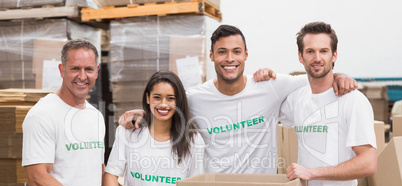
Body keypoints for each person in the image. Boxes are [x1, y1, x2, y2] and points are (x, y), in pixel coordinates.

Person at [119, 24, 357, 175]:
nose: (229, 58)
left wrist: (339, 74)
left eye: (236, 52)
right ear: (212, 56)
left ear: (245, 55)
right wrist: (142, 113)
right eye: (222, 52)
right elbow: (167, 106)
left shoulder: (271, 86)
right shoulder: (195, 97)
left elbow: (316, 74)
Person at [279, 22, 377, 186]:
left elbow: (368, 162)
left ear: (334, 56)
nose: (317, 58)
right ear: (300, 57)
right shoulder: (295, 100)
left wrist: (312, 173)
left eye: (324, 51)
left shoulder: (352, 101)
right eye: (310, 51)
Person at [22, 39, 119, 186]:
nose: (82, 76)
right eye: (75, 68)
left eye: (88, 69)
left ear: (97, 71)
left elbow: (97, 171)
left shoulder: (95, 116)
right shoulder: (43, 115)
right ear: (61, 69)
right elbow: (37, 178)